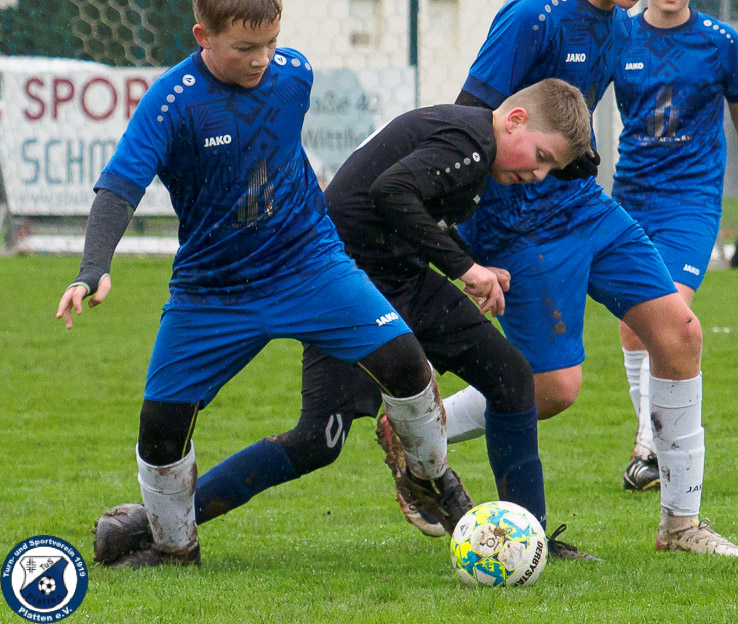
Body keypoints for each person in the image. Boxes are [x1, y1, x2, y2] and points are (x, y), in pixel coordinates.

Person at [60, 0, 471, 569]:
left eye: (272, 42)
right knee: (161, 428)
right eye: (245, 47)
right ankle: (175, 550)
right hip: (213, 289)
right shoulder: (172, 103)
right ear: (203, 36)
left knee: (407, 364)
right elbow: (119, 187)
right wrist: (92, 267)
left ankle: (431, 479)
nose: (262, 59)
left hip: (309, 264)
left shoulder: (294, 76)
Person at [90, 78, 599, 564]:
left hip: (402, 276)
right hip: (349, 286)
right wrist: (467, 267)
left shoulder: (473, 141)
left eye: (551, 167)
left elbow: (410, 210)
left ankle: (527, 538)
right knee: (318, 441)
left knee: (511, 377)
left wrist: (469, 258)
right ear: (514, 120)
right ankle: (152, 525)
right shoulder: (469, 142)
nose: (539, 175)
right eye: (541, 158)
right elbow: (391, 192)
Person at [422, 0, 738, 557]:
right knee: (553, 390)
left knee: (680, 334)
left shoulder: (618, 24)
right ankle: (418, 434)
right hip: (515, 220)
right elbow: (467, 125)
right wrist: (463, 244)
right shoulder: (534, 15)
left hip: (583, 206)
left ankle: (681, 527)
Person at [612, 0, 738, 493]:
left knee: (667, 314)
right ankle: (648, 443)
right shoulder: (620, 35)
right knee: (633, 328)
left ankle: (650, 448)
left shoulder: (720, 42)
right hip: (631, 196)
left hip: (691, 200)